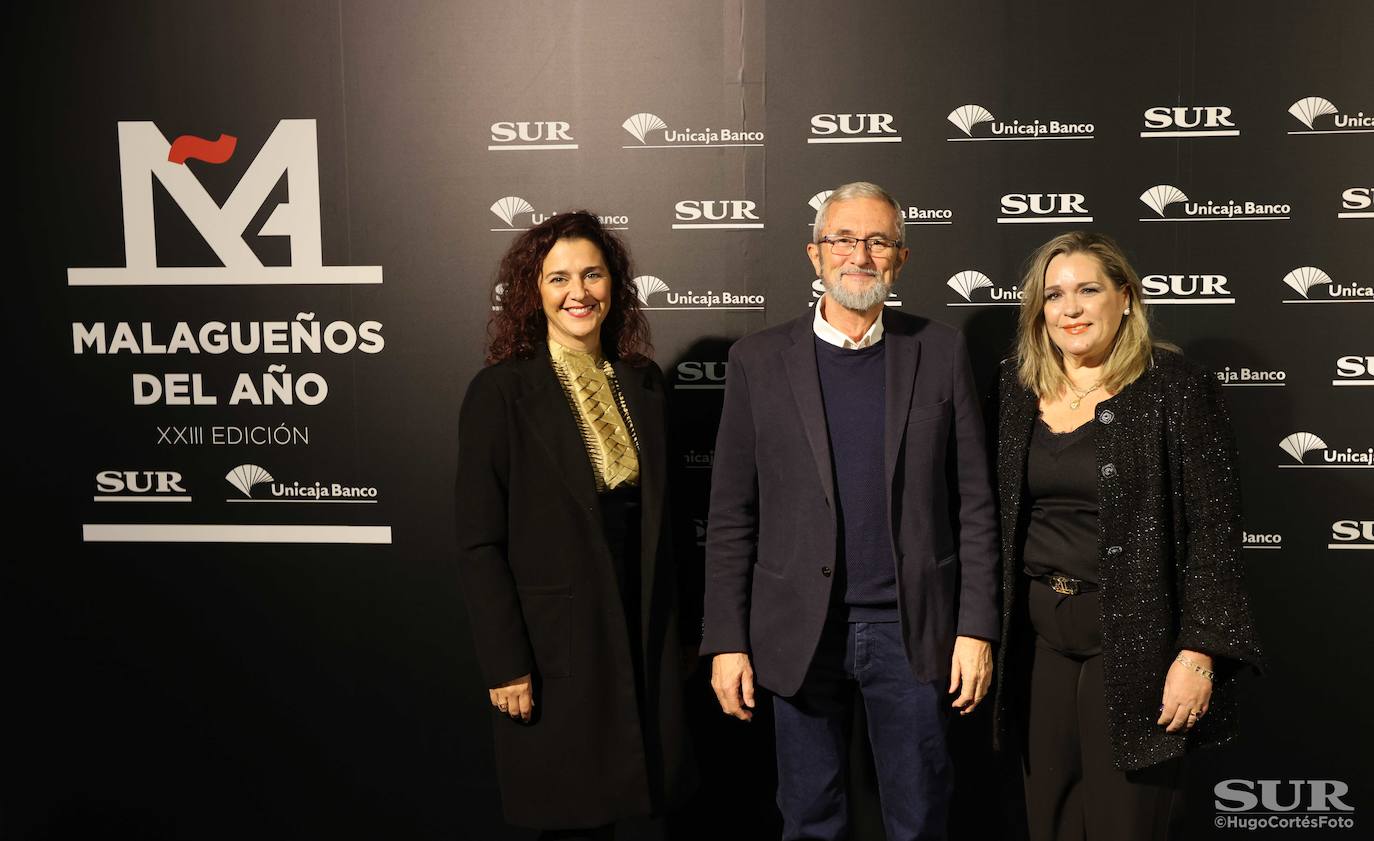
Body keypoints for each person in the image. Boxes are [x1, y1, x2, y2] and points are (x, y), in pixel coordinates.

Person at [701, 182, 999, 841]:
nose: (858, 254)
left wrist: (976, 627)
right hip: (799, 631)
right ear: (814, 254)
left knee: (920, 817)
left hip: (913, 629)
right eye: (841, 238)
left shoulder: (942, 351)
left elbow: (976, 503)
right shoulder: (757, 361)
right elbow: (730, 516)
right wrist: (726, 639)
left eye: (877, 240)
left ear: (900, 257)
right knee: (809, 819)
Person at [991, 231, 1264, 841]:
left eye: (1089, 290)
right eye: (1054, 295)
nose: (1072, 309)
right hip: (1038, 639)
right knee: (1051, 819)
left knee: (1125, 822)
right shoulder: (1015, 386)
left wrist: (1200, 653)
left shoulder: (1174, 387)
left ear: (1126, 298)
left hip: (1138, 639)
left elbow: (1215, 532)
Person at [456, 211, 694, 837]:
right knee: (571, 816)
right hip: (557, 640)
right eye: (559, 278)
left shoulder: (644, 382)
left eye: (592, 274)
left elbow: (668, 524)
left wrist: (689, 632)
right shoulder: (500, 393)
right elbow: (479, 543)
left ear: (614, 285)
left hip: (644, 623)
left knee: (648, 811)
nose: (578, 293)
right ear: (534, 292)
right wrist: (505, 663)